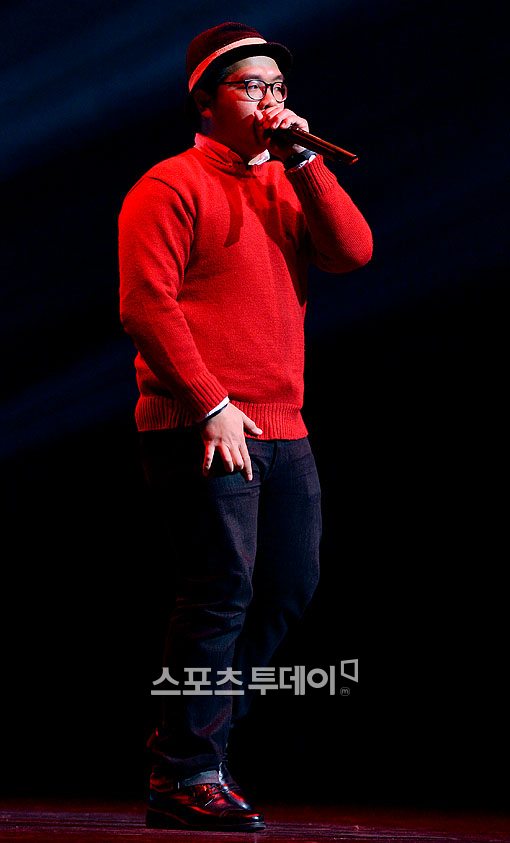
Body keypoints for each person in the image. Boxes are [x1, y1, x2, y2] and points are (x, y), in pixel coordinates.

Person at [118, 21, 373, 832]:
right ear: (207, 100)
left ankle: (194, 739)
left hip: (282, 423)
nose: (269, 99)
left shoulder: (288, 180)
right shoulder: (169, 185)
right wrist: (210, 402)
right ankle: (186, 770)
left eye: (278, 87)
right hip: (200, 423)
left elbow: (353, 252)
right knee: (220, 588)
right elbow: (146, 305)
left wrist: (307, 163)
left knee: (289, 586)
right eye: (251, 86)